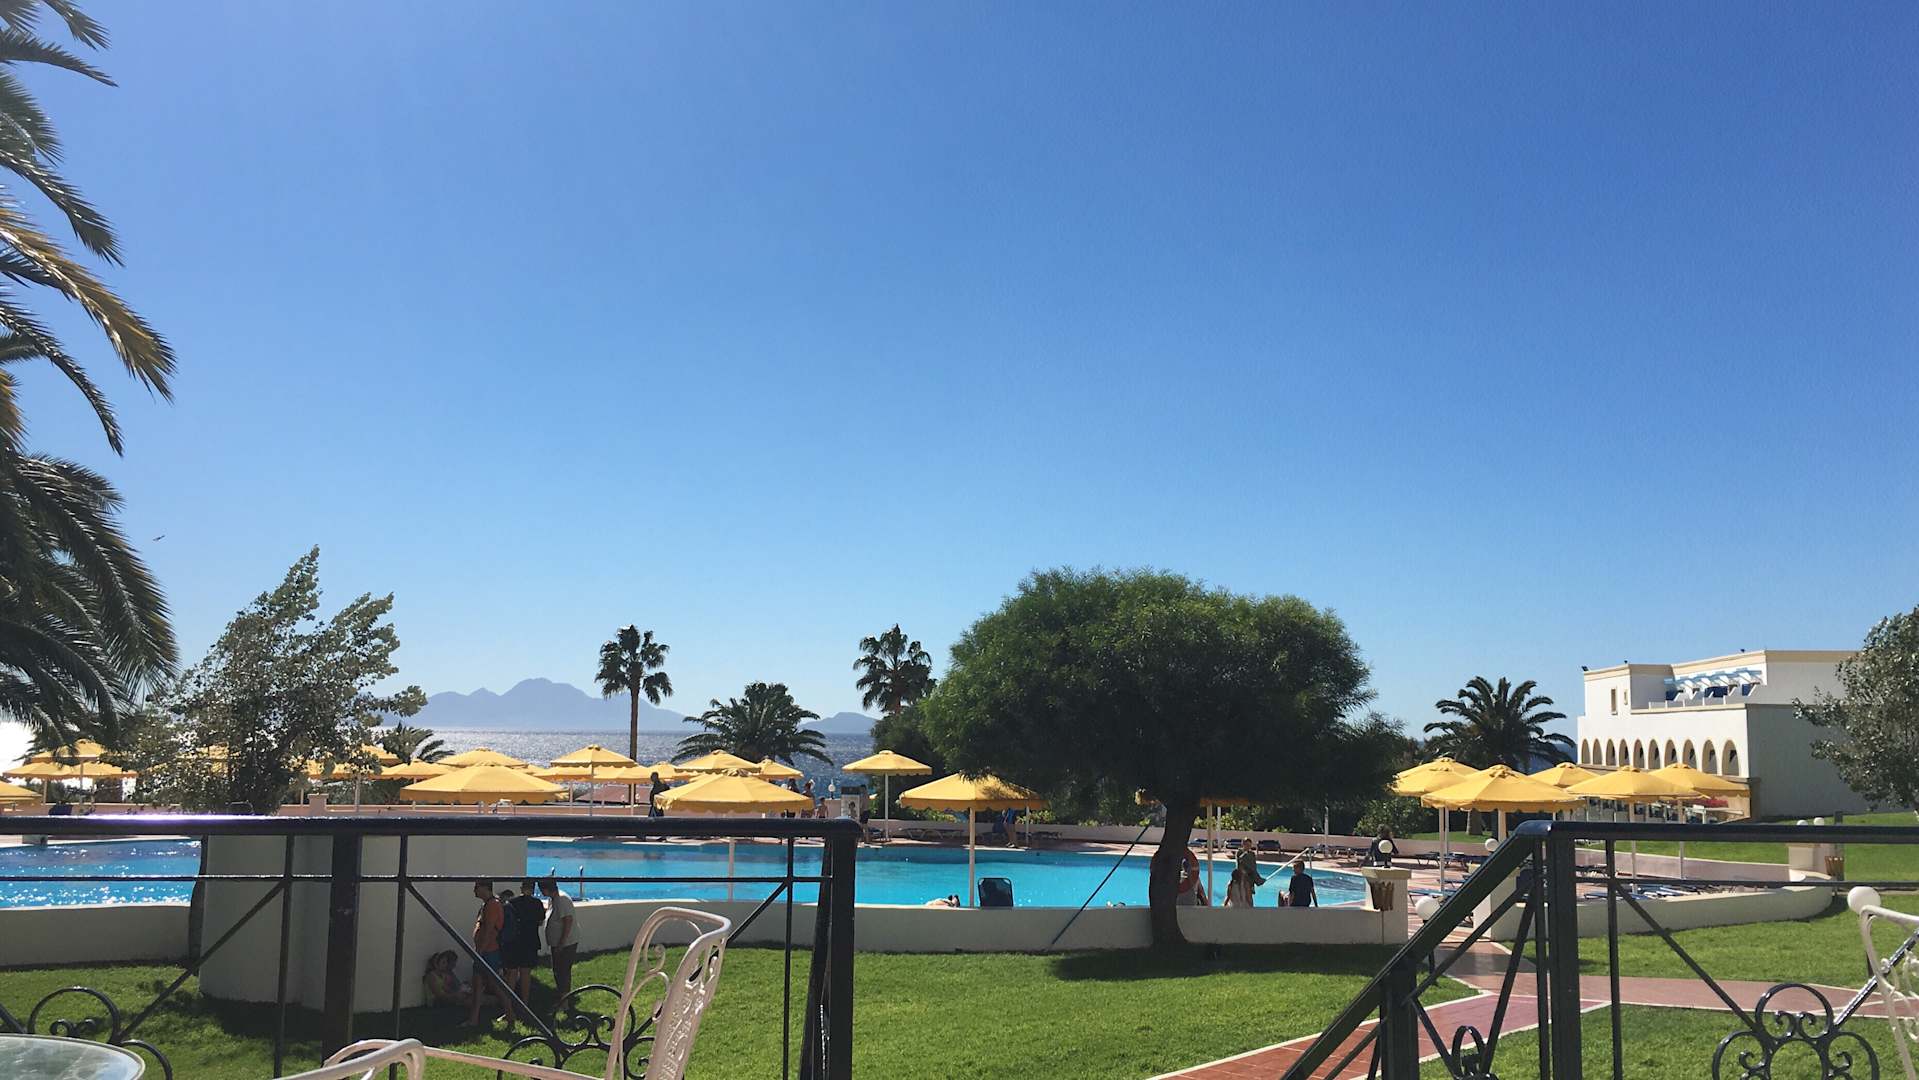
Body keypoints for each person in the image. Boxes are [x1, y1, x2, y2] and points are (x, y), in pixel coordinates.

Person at [500, 878, 545, 1022]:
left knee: (512, 975)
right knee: (525, 974)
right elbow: (540, 921)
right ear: (533, 889)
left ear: (521, 888)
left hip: (514, 943)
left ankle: (508, 1007)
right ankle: (524, 1005)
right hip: (530, 942)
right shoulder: (537, 903)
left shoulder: (512, 903)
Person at [467, 881, 507, 1026]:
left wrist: (481, 950)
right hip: (484, 951)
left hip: (488, 951)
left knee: (493, 984)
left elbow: (489, 930)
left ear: (485, 888)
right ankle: (474, 1019)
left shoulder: (492, 905)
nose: (474, 890)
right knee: (478, 985)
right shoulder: (486, 904)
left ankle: (510, 1012)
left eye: (477, 887)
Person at [539, 877, 579, 1004]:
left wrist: (562, 943)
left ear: (546, 889)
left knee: (563, 971)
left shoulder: (562, 900)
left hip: (566, 943)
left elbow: (568, 922)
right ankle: (562, 994)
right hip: (557, 943)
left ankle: (564, 1000)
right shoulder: (553, 899)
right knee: (558, 970)